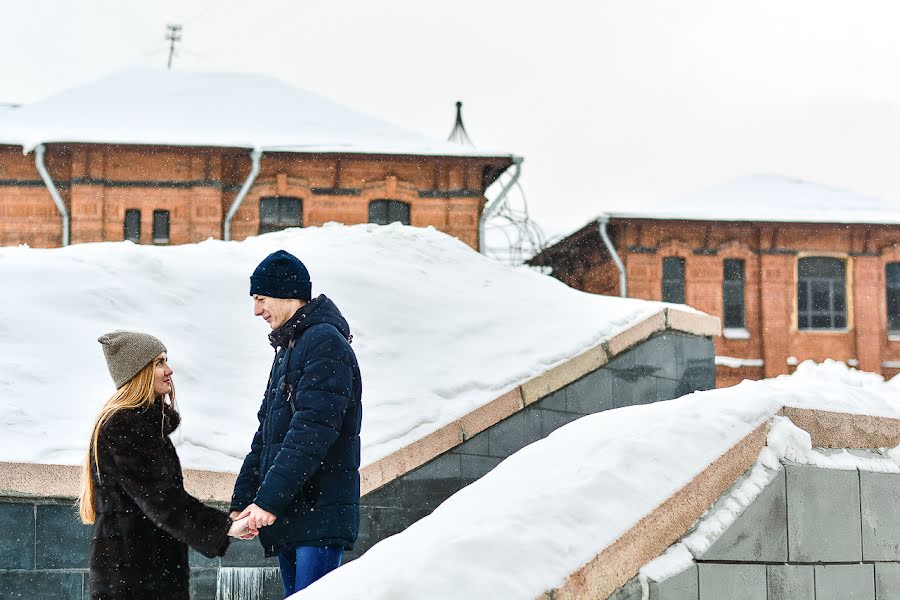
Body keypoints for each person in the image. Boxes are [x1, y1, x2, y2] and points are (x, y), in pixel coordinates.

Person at [79, 330, 251, 600]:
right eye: (159, 362)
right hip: (132, 582)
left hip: (148, 575)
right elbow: (160, 499)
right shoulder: (123, 426)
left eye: (165, 360)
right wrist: (223, 527)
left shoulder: (143, 427)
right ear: (138, 372)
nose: (169, 370)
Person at [230, 249, 363, 596]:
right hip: (292, 513)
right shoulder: (289, 348)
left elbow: (312, 433)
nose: (257, 310)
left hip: (318, 515)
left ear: (287, 294)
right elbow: (266, 434)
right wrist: (244, 499)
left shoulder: (324, 344)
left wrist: (269, 502)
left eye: (261, 299)